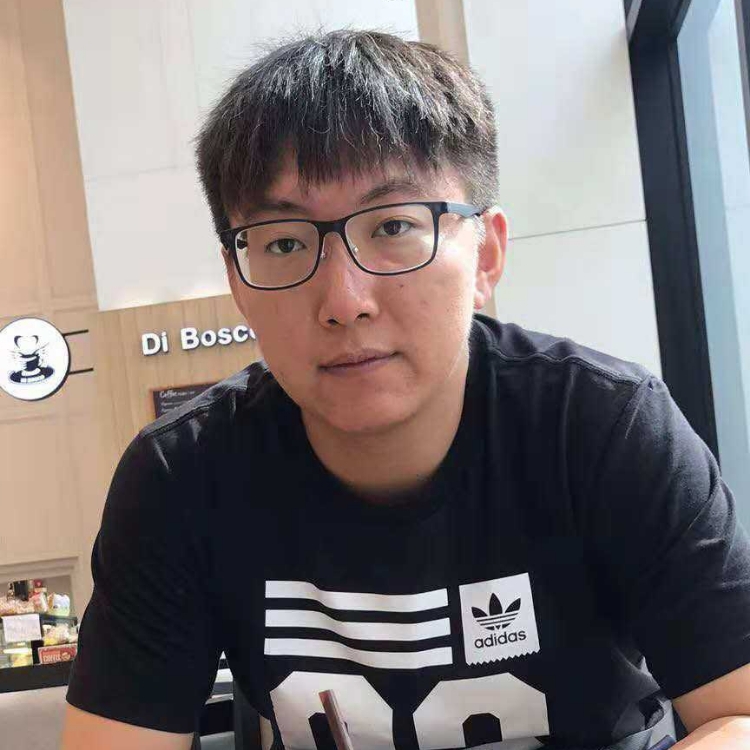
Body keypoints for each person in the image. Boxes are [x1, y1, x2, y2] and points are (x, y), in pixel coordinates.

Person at [61, 29, 750, 750]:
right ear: (238, 282)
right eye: (285, 242)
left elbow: (737, 714)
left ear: (486, 254)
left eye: (393, 225)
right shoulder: (184, 477)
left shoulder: (601, 425)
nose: (343, 300)